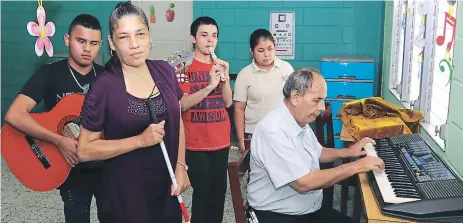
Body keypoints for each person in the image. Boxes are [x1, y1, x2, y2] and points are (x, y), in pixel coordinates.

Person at [76, 2, 190, 223]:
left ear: (149, 36)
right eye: (124, 37)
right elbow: (84, 150)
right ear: (112, 43)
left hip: (166, 191)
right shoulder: (104, 86)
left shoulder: (165, 71)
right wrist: (139, 140)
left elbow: (178, 120)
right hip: (125, 198)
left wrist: (181, 166)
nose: (135, 44)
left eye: (140, 34)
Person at [247, 68, 385, 223]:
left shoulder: (298, 119)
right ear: (295, 97)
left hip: (307, 208)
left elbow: (318, 152)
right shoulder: (272, 130)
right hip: (277, 215)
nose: (321, 108)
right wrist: (356, 167)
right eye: (316, 100)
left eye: (322, 100)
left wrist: (348, 152)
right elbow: (303, 183)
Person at [4, 14, 105, 223]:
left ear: (101, 45)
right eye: (81, 41)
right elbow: (14, 114)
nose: (87, 49)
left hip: (106, 167)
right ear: (67, 40)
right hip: (69, 169)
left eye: (94, 43)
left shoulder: (108, 78)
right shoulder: (49, 74)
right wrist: (58, 140)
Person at [177, 16, 233, 223]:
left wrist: (224, 79)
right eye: (204, 35)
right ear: (193, 38)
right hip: (195, 143)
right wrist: (209, 86)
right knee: (202, 196)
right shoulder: (184, 68)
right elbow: (182, 104)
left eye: (214, 36)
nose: (210, 40)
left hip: (221, 140)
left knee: (218, 196)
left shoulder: (219, 65)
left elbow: (228, 103)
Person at [233, 28, 294, 151]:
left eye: (270, 49)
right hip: (255, 134)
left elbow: (295, 100)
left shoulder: (286, 69)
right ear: (252, 51)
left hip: (283, 132)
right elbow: (239, 109)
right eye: (261, 50)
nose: (267, 54)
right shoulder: (245, 74)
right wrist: (241, 140)